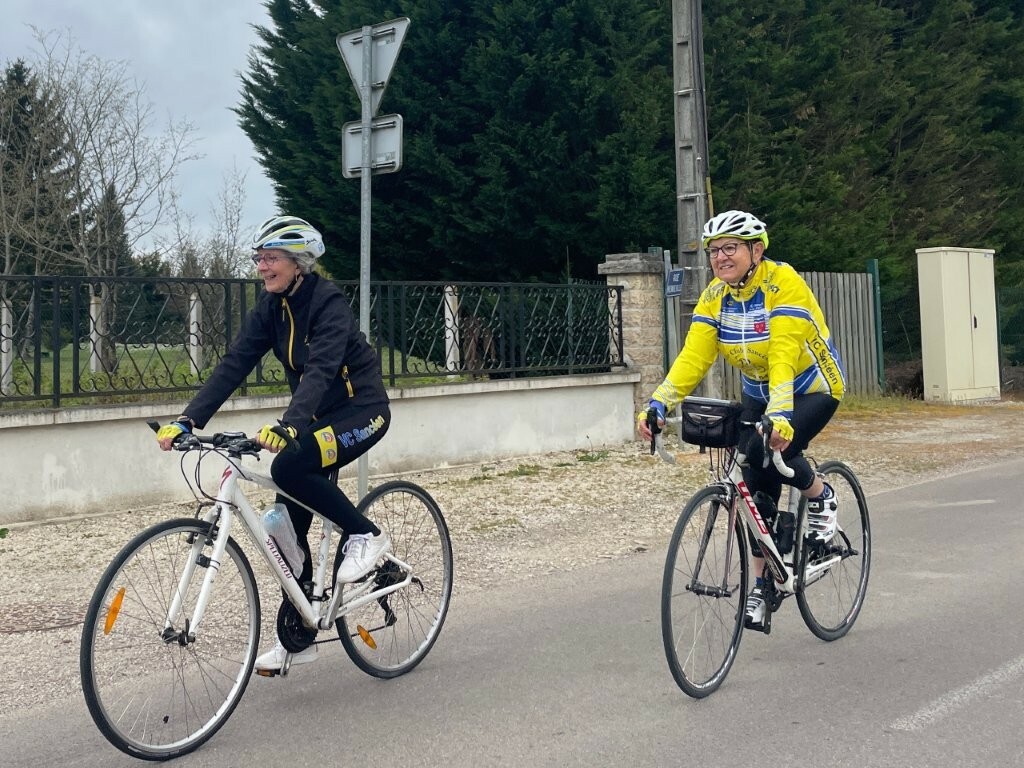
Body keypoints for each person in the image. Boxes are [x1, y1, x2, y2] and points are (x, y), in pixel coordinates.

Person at [155, 215, 392, 671]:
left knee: (287, 467)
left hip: (362, 412)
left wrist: (289, 425)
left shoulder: (328, 303)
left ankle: (367, 534)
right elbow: (235, 362)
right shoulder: (270, 308)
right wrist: (188, 419)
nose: (262, 267)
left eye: (271, 258)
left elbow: (321, 369)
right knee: (286, 531)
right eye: (259, 259)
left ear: (298, 262)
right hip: (315, 421)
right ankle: (297, 635)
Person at [637, 209, 846, 632]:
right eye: (714, 251)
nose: (720, 257)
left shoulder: (783, 283)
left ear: (756, 250)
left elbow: (784, 353)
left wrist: (781, 414)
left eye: (730, 248)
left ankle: (821, 495)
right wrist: (658, 403)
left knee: (774, 449)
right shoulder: (715, 296)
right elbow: (693, 358)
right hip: (758, 392)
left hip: (812, 386)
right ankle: (763, 584)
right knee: (752, 485)